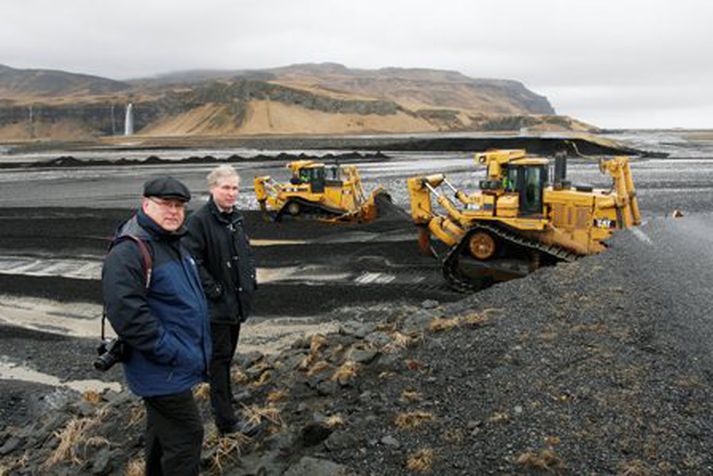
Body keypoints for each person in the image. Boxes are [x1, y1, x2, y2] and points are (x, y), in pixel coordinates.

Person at [102, 176, 211, 476]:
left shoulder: (172, 241)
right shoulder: (130, 250)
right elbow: (126, 313)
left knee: (162, 434)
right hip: (162, 366)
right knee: (188, 434)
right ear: (146, 204)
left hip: (172, 364)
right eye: (166, 205)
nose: (174, 211)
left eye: (180, 206)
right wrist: (170, 350)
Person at [183, 165, 259, 436]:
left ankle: (226, 402)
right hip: (216, 308)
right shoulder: (199, 221)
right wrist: (213, 291)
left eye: (235, 188)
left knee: (226, 359)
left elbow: (246, 253)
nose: (231, 193)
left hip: (236, 304)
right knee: (219, 361)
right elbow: (192, 261)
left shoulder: (235, 219)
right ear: (212, 189)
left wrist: (251, 279)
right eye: (226, 188)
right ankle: (227, 422)